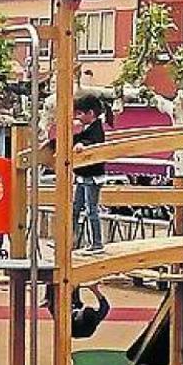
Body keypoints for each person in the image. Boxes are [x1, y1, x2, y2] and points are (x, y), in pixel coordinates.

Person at [73, 94, 107, 255]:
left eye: (80, 113)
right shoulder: (88, 129)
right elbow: (81, 138)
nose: (77, 117)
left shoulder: (96, 129)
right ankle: (72, 241)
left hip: (92, 176)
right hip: (82, 175)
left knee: (91, 210)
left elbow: (93, 141)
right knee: (75, 208)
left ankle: (97, 243)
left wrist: (81, 144)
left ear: (91, 113)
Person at [42, 283, 111, 340]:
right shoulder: (95, 318)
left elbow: (62, 301)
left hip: (64, 314)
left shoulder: (66, 320)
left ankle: (48, 297)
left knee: (60, 293)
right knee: (77, 301)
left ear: (78, 318)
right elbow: (105, 307)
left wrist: (70, 290)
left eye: (82, 311)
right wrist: (95, 289)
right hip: (82, 324)